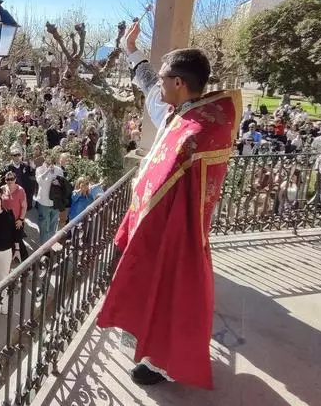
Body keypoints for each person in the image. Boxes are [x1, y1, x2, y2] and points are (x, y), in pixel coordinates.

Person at [97, 20, 241, 389]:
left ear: (179, 83)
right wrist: (132, 52)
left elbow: (168, 180)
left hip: (178, 228)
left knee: (171, 292)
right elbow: (147, 85)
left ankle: (161, 361)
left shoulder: (198, 132)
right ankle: (148, 347)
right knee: (151, 289)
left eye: (163, 79)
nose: (157, 84)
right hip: (156, 221)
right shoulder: (181, 114)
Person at [34, 157, 63, 244]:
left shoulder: (58, 169)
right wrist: (47, 171)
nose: (50, 162)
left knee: (53, 225)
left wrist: (58, 182)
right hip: (44, 202)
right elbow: (39, 180)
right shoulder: (39, 169)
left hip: (55, 202)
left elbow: (62, 181)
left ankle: (51, 245)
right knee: (44, 226)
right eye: (48, 159)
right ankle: (44, 249)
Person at [0, 171, 28, 261]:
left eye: (12, 179)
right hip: (6, 221)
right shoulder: (2, 189)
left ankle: (26, 262)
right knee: (9, 240)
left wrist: (21, 219)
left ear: (15, 179)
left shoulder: (20, 190)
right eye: (8, 179)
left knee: (18, 240)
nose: (10, 181)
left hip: (17, 220)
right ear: (5, 180)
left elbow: (24, 206)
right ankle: (14, 257)